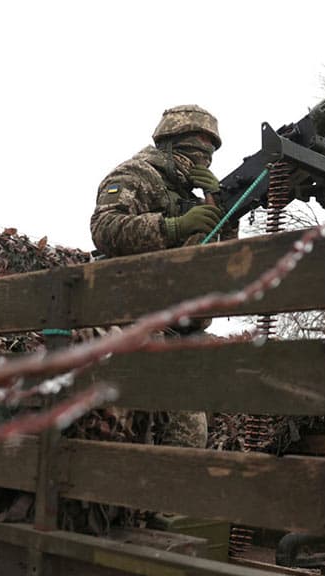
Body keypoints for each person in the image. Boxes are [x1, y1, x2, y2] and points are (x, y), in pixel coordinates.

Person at [90, 104, 236, 449]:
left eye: (208, 155)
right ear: (169, 146)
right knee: (180, 430)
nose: (201, 161)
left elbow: (223, 264)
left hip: (182, 328)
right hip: (133, 318)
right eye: (192, 151)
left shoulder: (196, 195)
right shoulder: (136, 175)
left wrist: (223, 212)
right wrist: (173, 226)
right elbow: (105, 228)